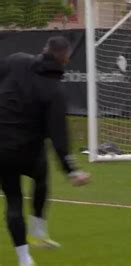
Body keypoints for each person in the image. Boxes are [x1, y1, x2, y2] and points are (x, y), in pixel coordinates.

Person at [0, 36, 90, 266]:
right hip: (29, 150)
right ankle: (38, 232)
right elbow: (59, 137)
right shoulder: (55, 91)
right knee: (41, 178)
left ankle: (24, 257)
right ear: (66, 60)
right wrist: (72, 171)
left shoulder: (17, 61)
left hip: (3, 148)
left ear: (44, 49)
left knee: (13, 199)